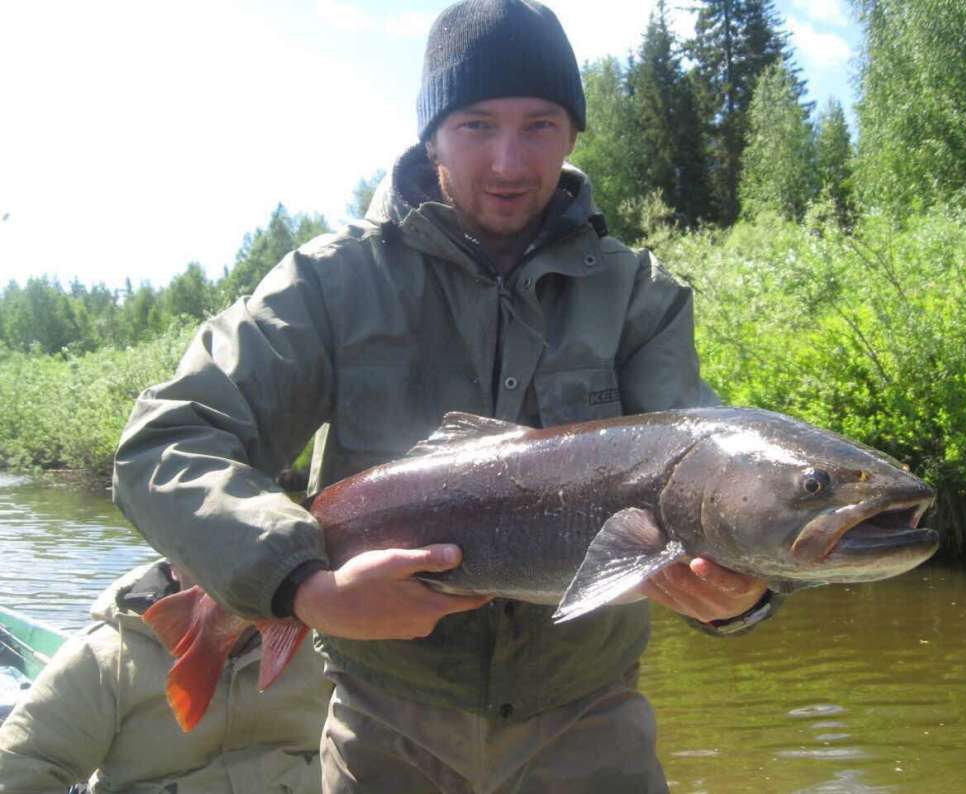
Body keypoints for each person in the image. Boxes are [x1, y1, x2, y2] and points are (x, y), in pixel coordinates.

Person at [111, 1, 783, 791]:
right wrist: (304, 589)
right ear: (429, 134)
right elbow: (165, 443)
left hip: (590, 727)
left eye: (539, 124)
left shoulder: (640, 296)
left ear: (572, 135)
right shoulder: (328, 284)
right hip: (385, 729)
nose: (509, 161)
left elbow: (717, 472)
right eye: (475, 125)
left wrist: (744, 594)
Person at [0, 559, 331, 793]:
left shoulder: (331, 642)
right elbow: (19, 772)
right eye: (208, 546)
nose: (238, 567)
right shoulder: (104, 658)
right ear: (174, 556)